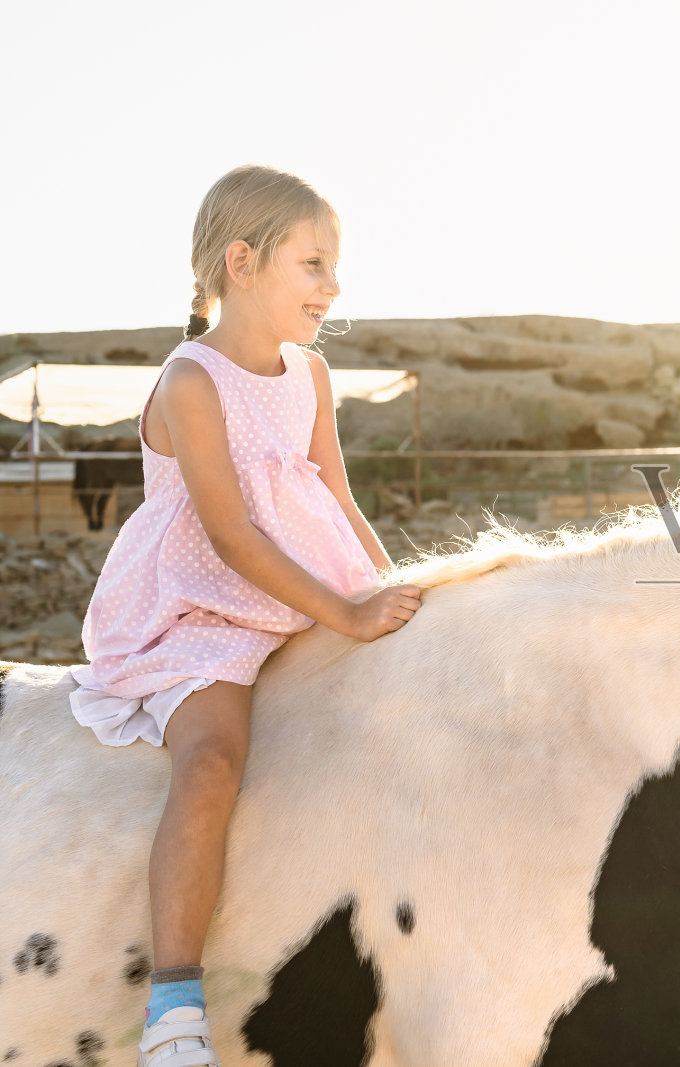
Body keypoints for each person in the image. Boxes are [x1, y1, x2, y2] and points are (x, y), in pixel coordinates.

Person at [68, 165, 423, 1066]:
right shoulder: (191, 382)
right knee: (213, 762)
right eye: (314, 264)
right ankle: (174, 1009)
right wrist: (346, 612)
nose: (333, 287)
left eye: (334, 265)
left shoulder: (311, 374)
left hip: (305, 590)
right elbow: (229, 536)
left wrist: (391, 587)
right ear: (242, 263)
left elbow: (336, 495)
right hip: (207, 610)